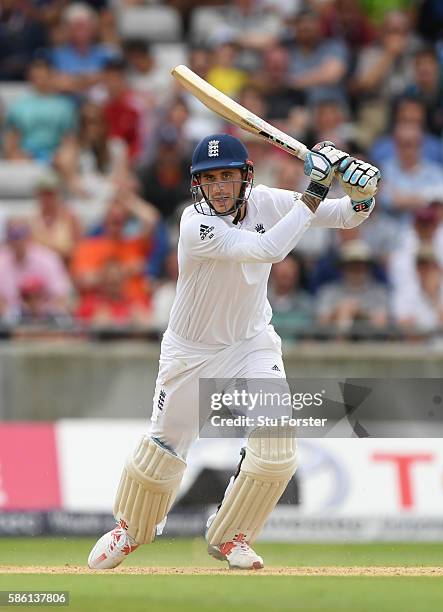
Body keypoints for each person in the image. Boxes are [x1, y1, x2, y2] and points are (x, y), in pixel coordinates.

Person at [87, 134, 380, 570]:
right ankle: (129, 530)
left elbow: (343, 218)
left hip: (251, 344)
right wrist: (317, 188)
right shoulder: (194, 224)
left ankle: (232, 536)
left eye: (227, 176)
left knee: (277, 447)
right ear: (197, 185)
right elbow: (269, 249)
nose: (219, 187)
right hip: (191, 351)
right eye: (209, 179)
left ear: (245, 177)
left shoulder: (265, 202)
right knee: (166, 448)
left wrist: (361, 195)